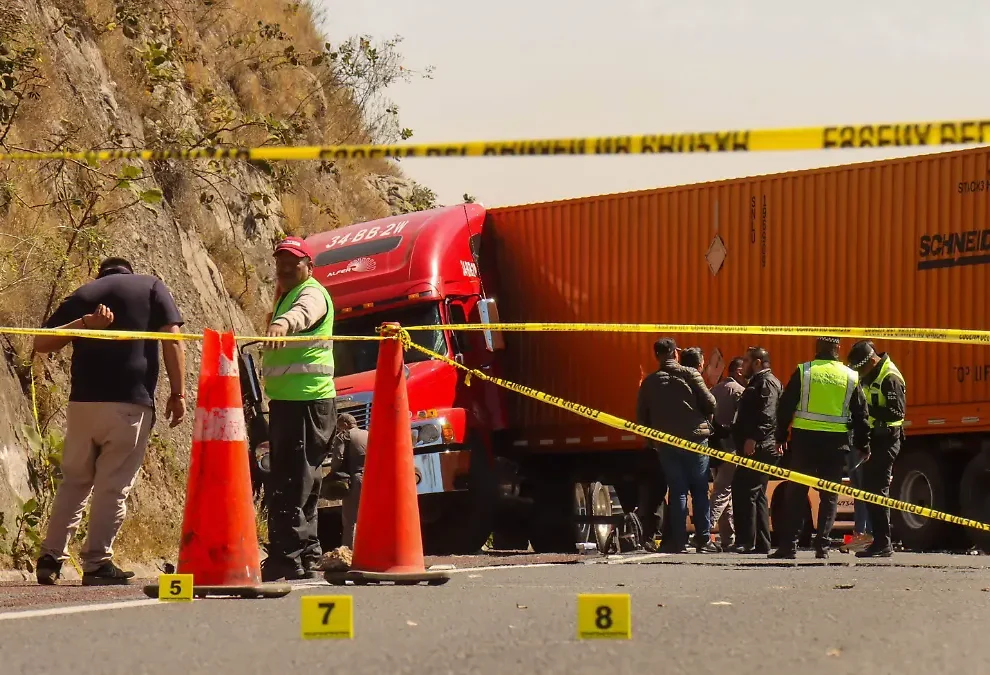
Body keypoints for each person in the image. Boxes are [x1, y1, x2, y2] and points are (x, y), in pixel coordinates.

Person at [33, 257, 185, 585]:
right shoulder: (151, 286)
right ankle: (97, 563)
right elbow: (172, 339)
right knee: (112, 487)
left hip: (82, 405)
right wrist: (179, 393)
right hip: (129, 404)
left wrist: (85, 324)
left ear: (101, 274)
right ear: (128, 271)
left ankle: (49, 558)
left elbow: (40, 342)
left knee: (74, 482)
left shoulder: (83, 293)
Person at [261, 236, 337, 581]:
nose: (286, 267)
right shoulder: (290, 294)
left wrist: (281, 324)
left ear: (309, 266)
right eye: (281, 262)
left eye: (293, 262)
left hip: (304, 401)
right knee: (303, 480)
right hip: (298, 401)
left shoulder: (310, 293)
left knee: (291, 481)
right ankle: (306, 555)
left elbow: (302, 315)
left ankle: (287, 558)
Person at [770, 337, 870, 560]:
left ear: (817, 349)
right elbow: (862, 415)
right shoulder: (850, 376)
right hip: (836, 443)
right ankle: (822, 547)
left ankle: (789, 547)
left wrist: (780, 436)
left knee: (796, 493)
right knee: (829, 495)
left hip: (805, 441)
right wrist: (863, 444)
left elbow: (785, 405)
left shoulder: (805, 371)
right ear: (838, 350)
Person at [636, 338, 719, 553]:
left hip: (666, 443)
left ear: (657, 356)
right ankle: (703, 539)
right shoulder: (690, 374)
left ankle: (678, 541)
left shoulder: (649, 382)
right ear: (675, 354)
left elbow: (641, 417)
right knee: (700, 490)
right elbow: (711, 402)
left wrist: (651, 441)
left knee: (677, 491)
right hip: (695, 440)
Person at [847, 340, 906, 558]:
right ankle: (879, 541)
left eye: (862, 367)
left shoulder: (889, 377)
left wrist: (866, 409)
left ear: (872, 360)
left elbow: (897, 413)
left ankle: (883, 543)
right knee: (871, 491)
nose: (861, 372)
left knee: (877, 491)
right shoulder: (871, 374)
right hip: (874, 440)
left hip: (887, 440)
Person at [730, 347, 782, 554]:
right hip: (758, 445)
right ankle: (761, 543)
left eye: (746, 360)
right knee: (757, 493)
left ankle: (747, 541)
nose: (742, 365)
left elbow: (768, 415)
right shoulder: (758, 382)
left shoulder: (766, 382)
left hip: (759, 447)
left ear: (758, 362)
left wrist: (753, 438)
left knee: (745, 491)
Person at [708, 356, 746, 550]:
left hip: (715, 448)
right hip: (731, 448)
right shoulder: (739, 391)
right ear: (739, 371)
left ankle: (727, 538)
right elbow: (742, 423)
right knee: (722, 493)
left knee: (725, 494)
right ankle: (704, 531)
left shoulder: (715, 389)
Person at [330, 413, 369, 549]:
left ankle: (349, 550)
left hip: (354, 479)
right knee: (370, 514)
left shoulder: (343, 436)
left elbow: (338, 459)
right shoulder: (367, 434)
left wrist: (333, 472)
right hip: (371, 478)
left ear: (345, 424)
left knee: (350, 518)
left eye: (340, 425)